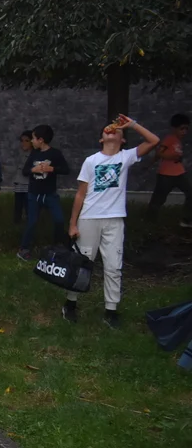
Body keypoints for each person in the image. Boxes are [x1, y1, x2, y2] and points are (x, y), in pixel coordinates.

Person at [65, 115, 159, 327]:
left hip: (114, 220)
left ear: (123, 140)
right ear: (101, 139)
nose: (112, 130)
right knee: (82, 263)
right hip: (89, 218)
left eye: (118, 130)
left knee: (113, 266)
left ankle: (111, 310)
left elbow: (154, 141)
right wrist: (72, 223)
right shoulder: (91, 161)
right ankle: (70, 303)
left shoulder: (126, 157)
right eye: (107, 130)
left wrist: (132, 124)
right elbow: (80, 194)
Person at [16, 124, 70, 261]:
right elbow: (25, 170)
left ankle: (57, 247)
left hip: (50, 194)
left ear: (41, 140)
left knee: (59, 220)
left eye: (33, 138)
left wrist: (52, 169)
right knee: (32, 222)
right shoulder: (34, 154)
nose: (32, 141)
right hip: (34, 194)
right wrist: (33, 170)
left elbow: (66, 169)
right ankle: (24, 249)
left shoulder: (55, 153)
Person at [149, 113, 191, 228]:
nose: (184, 132)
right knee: (159, 199)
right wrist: (169, 157)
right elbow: (159, 153)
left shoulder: (178, 141)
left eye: (186, 129)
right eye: (182, 129)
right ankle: (150, 222)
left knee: (190, 193)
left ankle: (186, 219)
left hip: (179, 173)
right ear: (174, 128)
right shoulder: (169, 139)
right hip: (166, 174)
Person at [12, 131, 32, 224]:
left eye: (27, 141)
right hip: (19, 184)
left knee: (29, 208)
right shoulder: (21, 154)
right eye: (22, 141)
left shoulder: (33, 156)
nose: (23, 143)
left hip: (28, 185)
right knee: (18, 207)